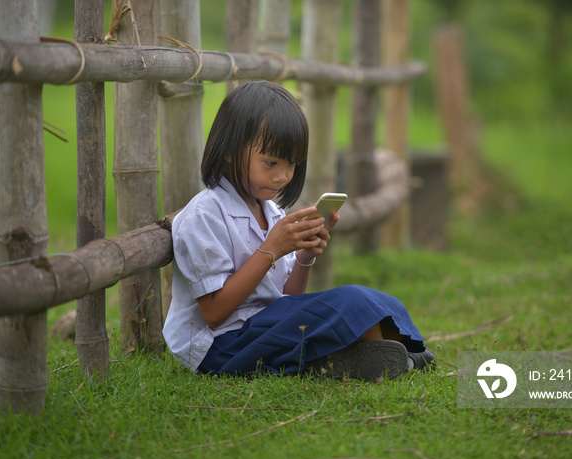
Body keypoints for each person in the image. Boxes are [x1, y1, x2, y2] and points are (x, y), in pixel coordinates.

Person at [163, 80, 435, 382]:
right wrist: (272, 249)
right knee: (351, 301)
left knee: (374, 300)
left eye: (291, 164)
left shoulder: (271, 211)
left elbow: (288, 296)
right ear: (229, 151)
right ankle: (386, 355)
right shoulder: (204, 215)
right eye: (270, 162)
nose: (282, 176)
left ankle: (374, 356)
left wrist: (304, 254)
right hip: (221, 345)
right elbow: (213, 313)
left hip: (264, 328)